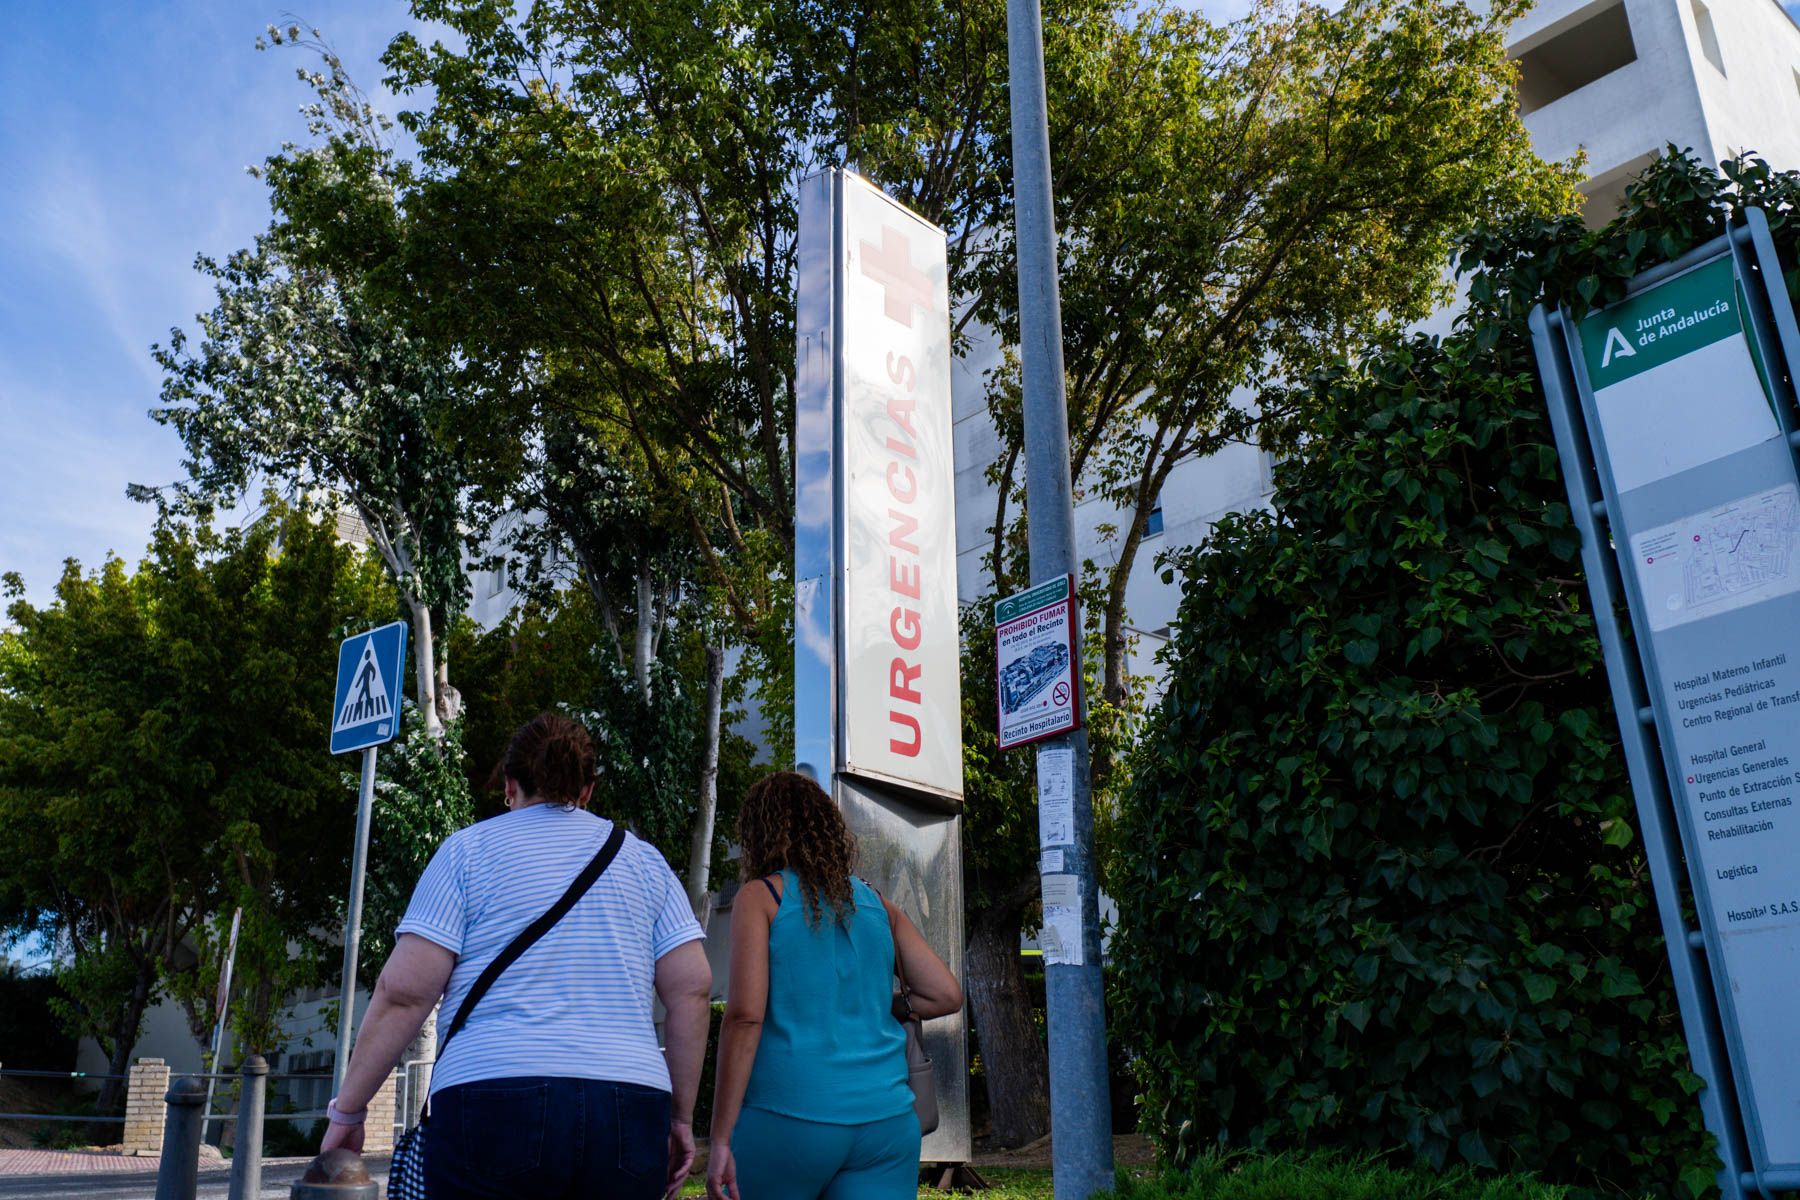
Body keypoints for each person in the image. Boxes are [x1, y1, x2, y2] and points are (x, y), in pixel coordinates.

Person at [320, 712, 713, 1200]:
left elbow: (403, 995)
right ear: (588, 789)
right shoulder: (646, 863)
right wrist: (679, 1117)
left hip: (491, 1096)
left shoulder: (466, 853)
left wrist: (349, 1114)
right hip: (629, 1105)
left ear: (509, 785)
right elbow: (693, 990)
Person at [707, 771, 963, 1200]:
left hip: (790, 1116)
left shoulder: (761, 898)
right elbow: (945, 994)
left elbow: (745, 1017)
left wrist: (718, 1139)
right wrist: (887, 1004)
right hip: (887, 1125)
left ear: (760, 834)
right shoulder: (875, 903)